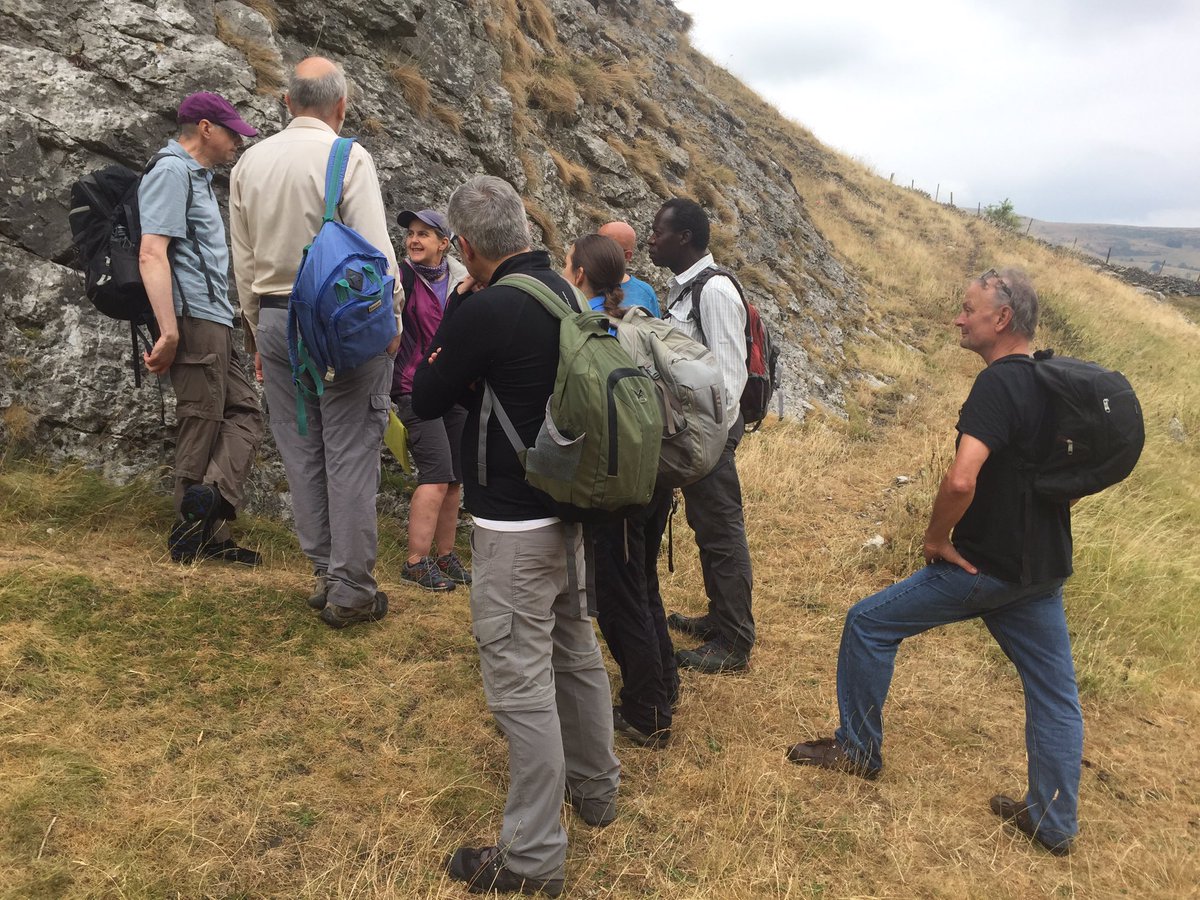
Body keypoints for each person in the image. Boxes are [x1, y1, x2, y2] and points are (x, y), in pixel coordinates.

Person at [787, 268, 1082, 857]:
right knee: (1054, 693)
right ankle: (1053, 822)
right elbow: (1075, 473)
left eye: (968, 308)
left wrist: (936, 537)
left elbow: (961, 476)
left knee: (868, 623)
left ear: (1001, 319)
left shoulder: (998, 386)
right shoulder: (1055, 380)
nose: (958, 317)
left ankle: (858, 749)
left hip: (983, 567)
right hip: (1041, 567)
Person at [412, 177, 620, 896]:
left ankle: (531, 858)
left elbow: (428, 396)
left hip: (512, 524)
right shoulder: (565, 292)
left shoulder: (487, 306)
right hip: (570, 515)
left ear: (466, 248)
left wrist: (454, 322)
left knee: (519, 685)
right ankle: (597, 792)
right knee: (576, 652)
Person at [229, 57, 402, 629]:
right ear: (341, 105)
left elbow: (243, 260)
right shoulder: (347, 157)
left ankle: (326, 572)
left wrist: (257, 330)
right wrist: (392, 322)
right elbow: (375, 256)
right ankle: (351, 588)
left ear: (287, 103)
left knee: (301, 449)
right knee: (351, 450)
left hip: (276, 320)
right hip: (341, 326)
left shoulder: (249, 162)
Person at [138, 91, 264, 566]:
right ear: (206, 127)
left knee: (245, 413)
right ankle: (192, 535)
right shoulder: (171, 171)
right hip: (191, 319)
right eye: (232, 132)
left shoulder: (198, 178)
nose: (238, 142)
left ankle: (207, 506)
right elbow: (152, 252)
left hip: (214, 317)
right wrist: (168, 331)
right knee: (201, 421)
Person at [563, 233, 677, 747]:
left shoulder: (586, 327)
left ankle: (647, 711)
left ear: (580, 273)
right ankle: (662, 684)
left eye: (568, 263)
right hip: (657, 474)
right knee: (643, 584)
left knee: (617, 598)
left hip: (619, 484)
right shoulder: (639, 318)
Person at [647, 198, 755, 674]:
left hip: (708, 435)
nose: (651, 239)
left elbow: (730, 379)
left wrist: (708, 444)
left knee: (721, 533)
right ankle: (719, 618)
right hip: (696, 433)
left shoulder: (712, 292)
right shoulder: (686, 289)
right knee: (708, 529)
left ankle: (734, 642)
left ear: (684, 238)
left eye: (658, 232)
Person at [391, 208, 470, 592]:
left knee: (454, 479)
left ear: (445, 243)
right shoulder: (399, 277)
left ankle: (444, 555)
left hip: (452, 386)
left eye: (425, 234)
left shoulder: (461, 281)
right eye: (411, 233)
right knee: (437, 474)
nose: (415, 240)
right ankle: (415, 562)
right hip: (413, 387)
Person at [599, 220, 661, 317]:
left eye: (605, 248)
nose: (595, 251)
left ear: (627, 256)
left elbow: (656, 330)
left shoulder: (645, 293)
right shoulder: (581, 282)